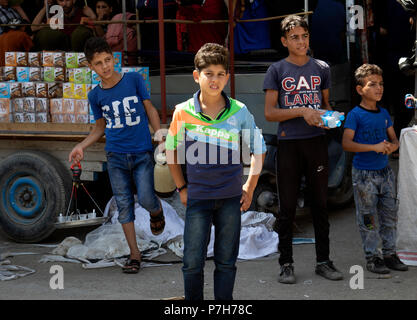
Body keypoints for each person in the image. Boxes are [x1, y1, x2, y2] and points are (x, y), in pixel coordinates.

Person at [166, 43, 266, 300]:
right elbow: (171, 151)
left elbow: (259, 150)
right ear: (196, 76)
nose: (215, 79)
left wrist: (250, 186)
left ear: (228, 77)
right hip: (197, 199)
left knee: (226, 262)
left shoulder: (239, 111)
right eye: (209, 73)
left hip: (231, 199)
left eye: (221, 73)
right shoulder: (183, 112)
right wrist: (181, 187)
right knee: (192, 263)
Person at [68, 37, 165, 274]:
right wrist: (82, 145)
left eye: (108, 60)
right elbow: (99, 127)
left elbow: (149, 108)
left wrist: (160, 134)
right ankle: (135, 255)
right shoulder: (95, 96)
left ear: (114, 58)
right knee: (124, 206)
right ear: (90, 67)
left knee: (145, 198)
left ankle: (156, 211)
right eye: (99, 63)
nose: (105, 66)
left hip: (141, 152)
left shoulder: (133, 80)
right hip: (116, 157)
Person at [263, 15, 343, 284]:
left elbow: (326, 105)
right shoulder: (276, 70)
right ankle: (286, 263)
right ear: (284, 41)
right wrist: (301, 111)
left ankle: (324, 261)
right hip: (289, 144)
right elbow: (270, 113)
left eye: (304, 36)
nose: (301, 41)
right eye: (294, 37)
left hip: (316, 142)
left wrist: (331, 118)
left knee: (320, 204)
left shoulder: (321, 68)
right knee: (286, 207)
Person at [342, 64, 408, 274]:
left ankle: (389, 254)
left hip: (385, 173)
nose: (378, 88)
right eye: (372, 85)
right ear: (360, 89)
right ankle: (373, 257)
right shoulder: (355, 115)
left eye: (380, 84)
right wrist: (374, 147)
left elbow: (394, 139)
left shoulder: (384, 113)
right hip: (364, 175)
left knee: (390, 215)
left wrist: (392, 147)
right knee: (368, 218)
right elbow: (347, 144)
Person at [33, 0, 98, 51]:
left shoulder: (83, 12)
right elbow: (34, 27)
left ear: (74, 0)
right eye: (61, 1)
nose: (64, 4)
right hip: (60, 53)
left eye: (67, 0)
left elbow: (99, 35)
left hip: (80, 51)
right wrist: (45, 7)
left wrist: (93, 17)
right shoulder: (55, 14)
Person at [0, 0, 33, 66]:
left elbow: (28, 26)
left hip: (22, 39)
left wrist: (19, 9)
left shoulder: (12, 9)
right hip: (8, 43)